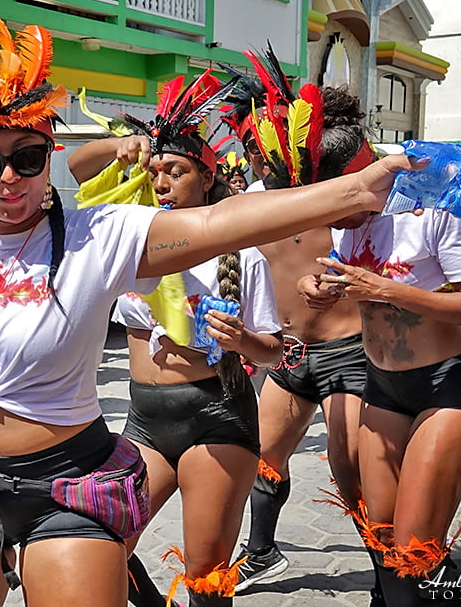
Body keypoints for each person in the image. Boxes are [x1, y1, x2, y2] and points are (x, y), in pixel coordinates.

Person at [0, 0, 418, 606]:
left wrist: (355, 189)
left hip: (66, 486)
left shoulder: (100, 234)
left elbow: (218, 223)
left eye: (27, 158)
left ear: (49, 154)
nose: (8, 178)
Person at [68, 69, 282, 607]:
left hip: (217, 416)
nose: (161, 183)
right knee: (101, 545)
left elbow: (275, 351)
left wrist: (241, 340)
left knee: (204, 574)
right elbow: (75, 168)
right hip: (145, 417)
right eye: (155, 172)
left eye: (177, 172)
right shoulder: (127, 243)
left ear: (206, 178)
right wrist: (119, 147)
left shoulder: (241, 251)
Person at [299, 160, 461, 604]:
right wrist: (311, 286)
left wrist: (385, 289)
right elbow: (337, 278)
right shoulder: (343, 227)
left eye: (335, 202)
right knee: (382, 536)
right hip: (383, 387)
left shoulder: (433, 213)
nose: (328, 216)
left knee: (413, 546)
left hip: (447, 387)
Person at [220, 78, 377, 597]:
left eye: (263, 138)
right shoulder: (248, 202)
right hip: (289, 358)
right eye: (248, 142)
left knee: (350, 470)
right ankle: (262, 553)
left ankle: (391, 571)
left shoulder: (335, 191)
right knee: (263, 459)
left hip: (348, 355)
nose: (256, 151)